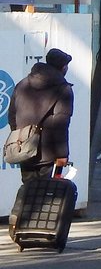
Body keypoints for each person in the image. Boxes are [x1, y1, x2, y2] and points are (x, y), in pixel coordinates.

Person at [9, 48, 73, 184]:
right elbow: (61, 125)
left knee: (28, 195)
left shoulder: (23, 84)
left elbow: (12, 116)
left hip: (24, 150)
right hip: (48, 154)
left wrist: (21, 138)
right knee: (45, 197)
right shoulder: (63, 89)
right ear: (63, 67)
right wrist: (62, 155)